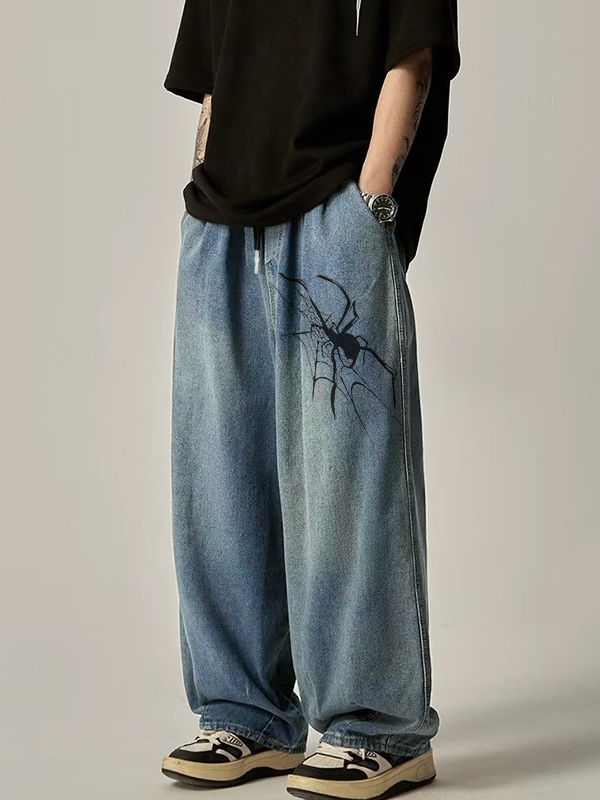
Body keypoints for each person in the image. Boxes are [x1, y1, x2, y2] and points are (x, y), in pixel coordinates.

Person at [160, 2, 460, 798]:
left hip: (336, 208)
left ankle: (378, 728)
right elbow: (213, 74)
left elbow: (415, 53)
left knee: (349, 483)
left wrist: (373, 203)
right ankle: (246, 713)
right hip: (220, 219)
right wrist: (200, 185)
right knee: (218, 477)